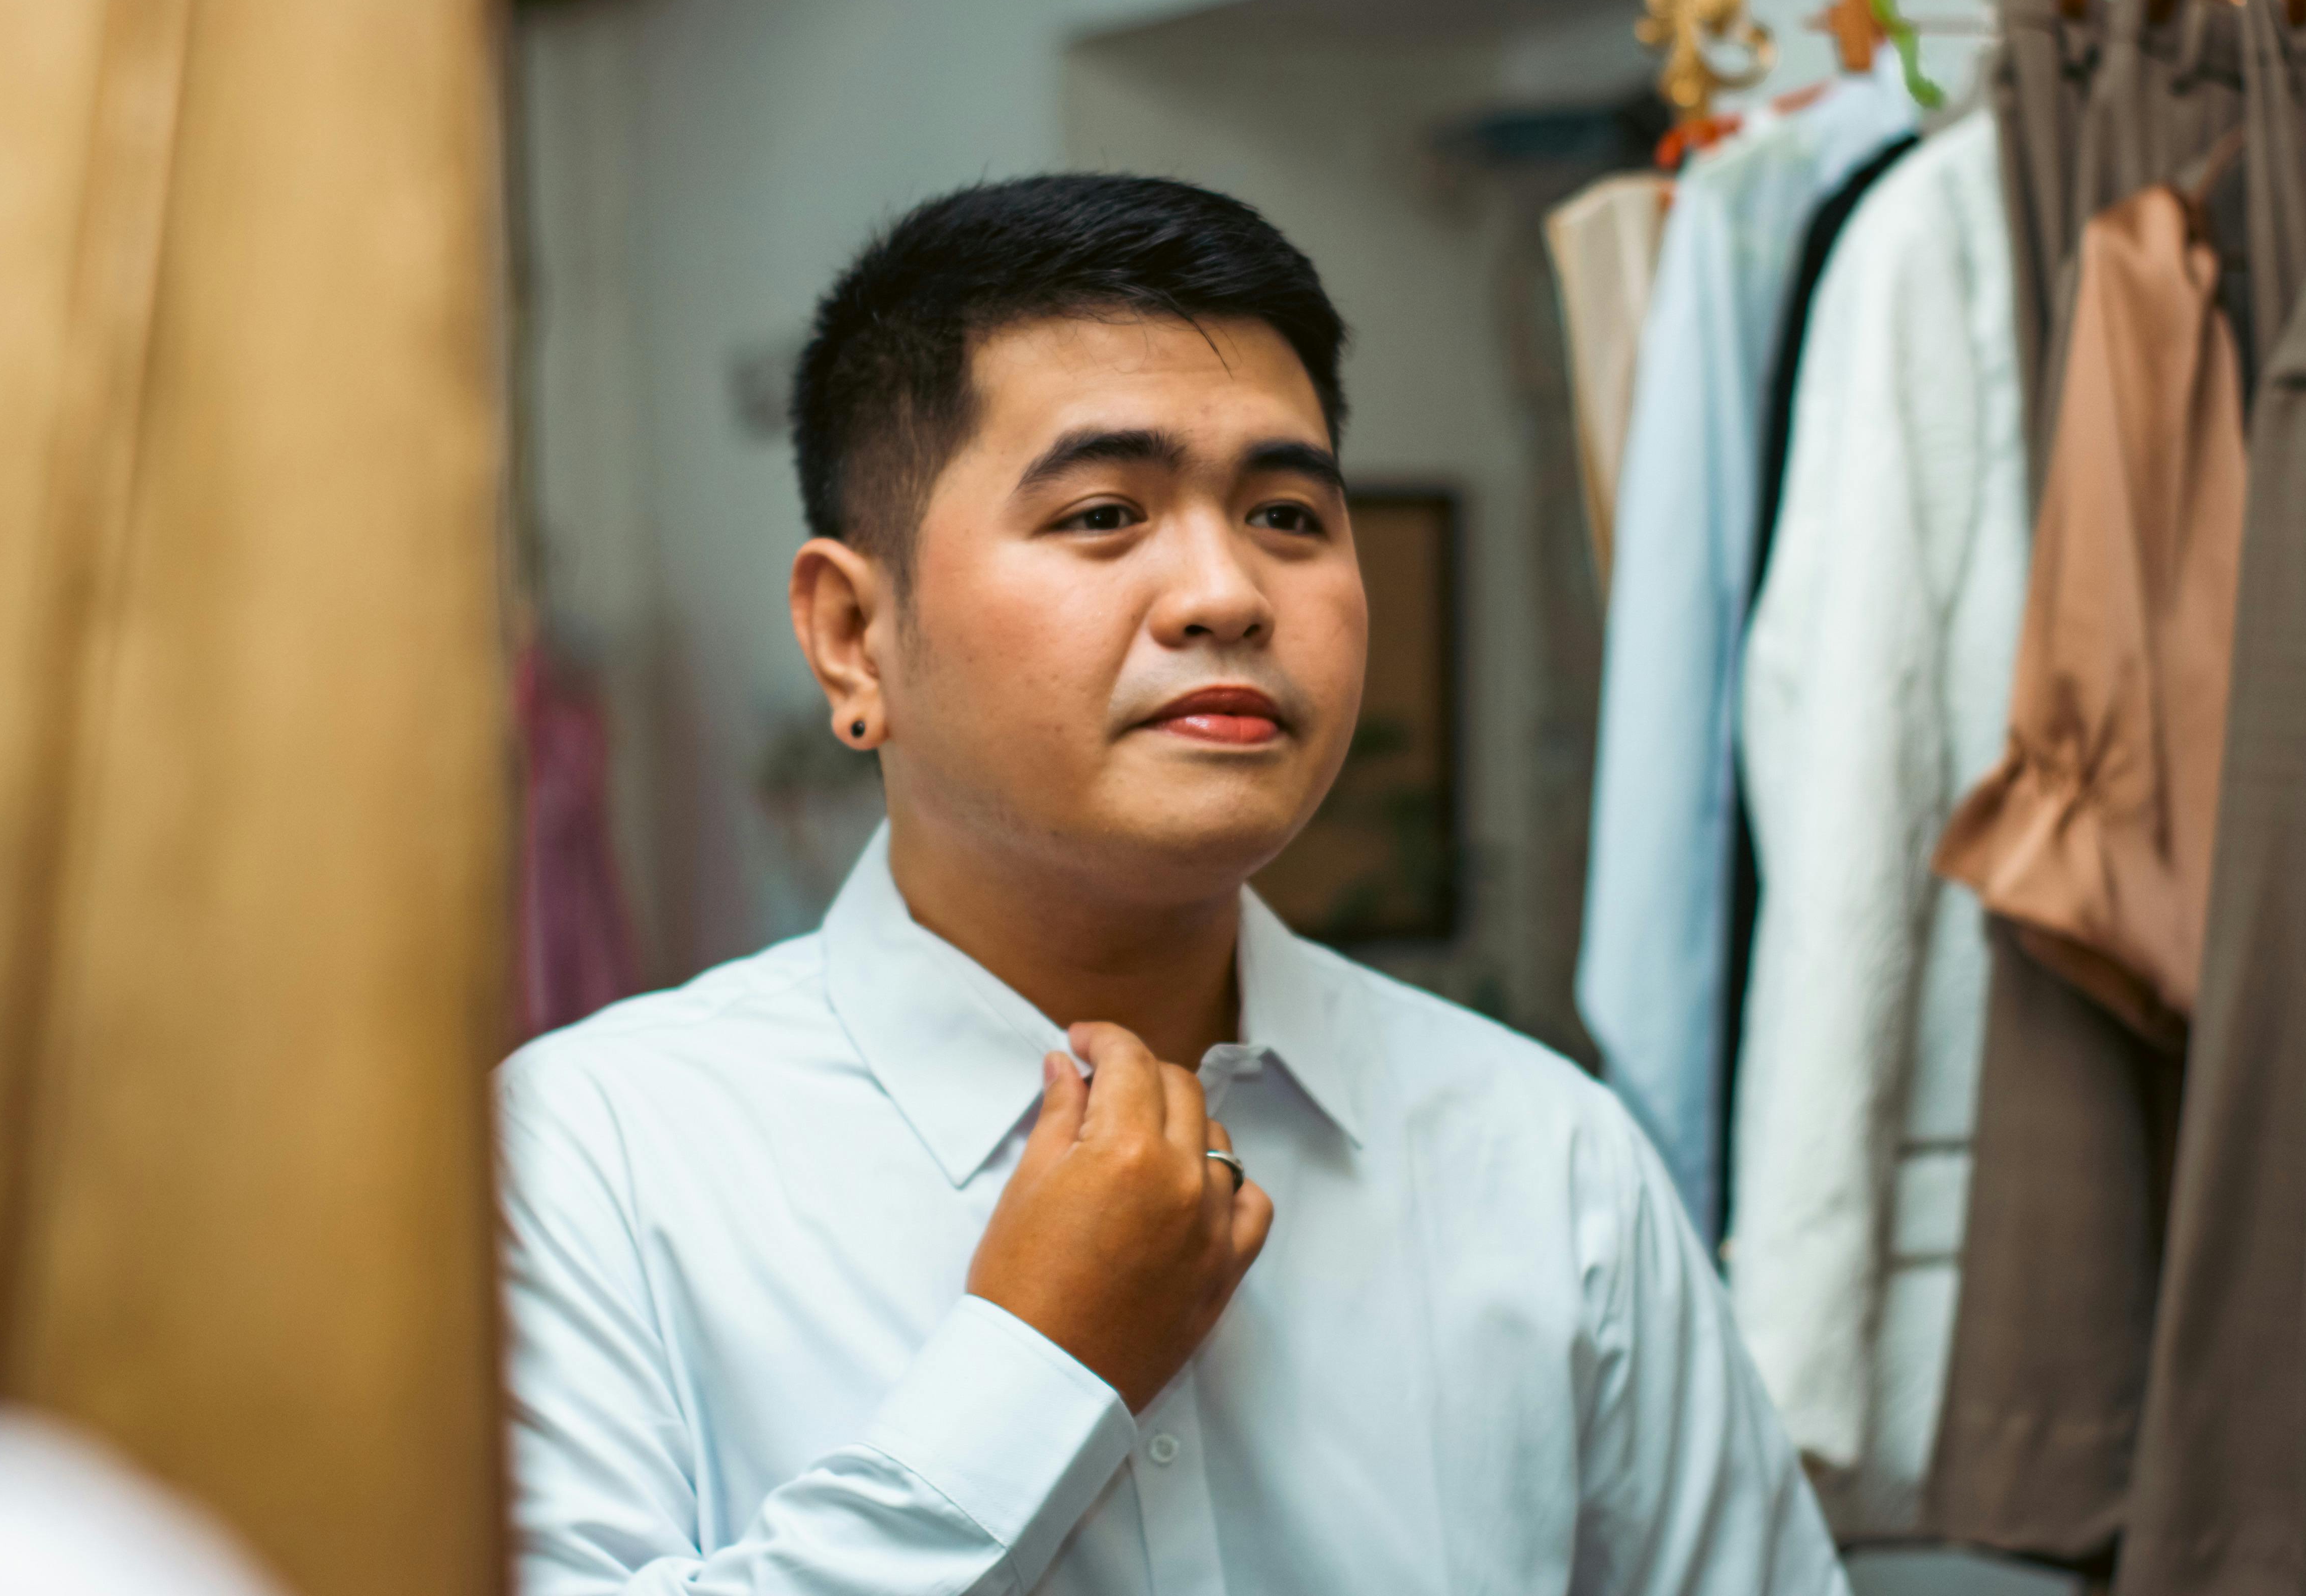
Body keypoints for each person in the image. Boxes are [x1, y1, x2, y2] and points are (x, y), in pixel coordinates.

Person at [499, 173, 1846, 1594]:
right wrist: (1038, 1368)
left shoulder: (1548, 1162)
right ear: (852, 634)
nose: (1227, 593)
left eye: (1286, 515)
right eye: (1100, 514)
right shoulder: (597, 1162)